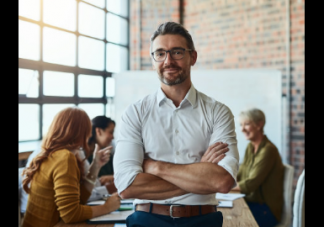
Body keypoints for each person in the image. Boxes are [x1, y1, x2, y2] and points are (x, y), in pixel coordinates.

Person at [113, 21, 240, 227]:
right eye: (160, 53)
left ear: (193, 57)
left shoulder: (218, 112)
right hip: (147, 219)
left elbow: (222, 181)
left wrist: (154, 167)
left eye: (177, 52)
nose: (168, 60)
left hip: (203, 220)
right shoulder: (135, 113)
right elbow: (127, 186)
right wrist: (200, 172)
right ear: (153, 60)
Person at [21, 107, 121, 227]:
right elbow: (70, 215)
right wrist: (107, 207)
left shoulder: (53, 153)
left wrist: (95, 166)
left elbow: (79, 200)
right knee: (107, 222)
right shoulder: (65, 157)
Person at [231, 108, 284, 227]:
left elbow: (250, 184)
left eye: (247, 124)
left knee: (230, 219)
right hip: (252, 203)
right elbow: (240, 174)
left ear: (259, 124)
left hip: (266, 210)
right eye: (241, 125)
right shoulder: (250, 147)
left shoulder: (268, 150)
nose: (242, 129)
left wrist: (222, 187)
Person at [87, 116, 117, 192]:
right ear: (98, 131)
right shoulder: (83, 155)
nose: (113, 137)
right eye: (111, 132)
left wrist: (112, 177)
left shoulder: (108, 154)